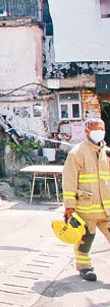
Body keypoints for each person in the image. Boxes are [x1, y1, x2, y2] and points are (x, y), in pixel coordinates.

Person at [62, 117, 110, 282]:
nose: (99, 133)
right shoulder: (76, 153)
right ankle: (84, 267)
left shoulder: (107, 153)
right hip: (86, 209)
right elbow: (69, 182)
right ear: (87, 131)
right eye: (95, 129)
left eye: (101, 129)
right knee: (85, 240)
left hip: (107, 210)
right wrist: (69, 206)